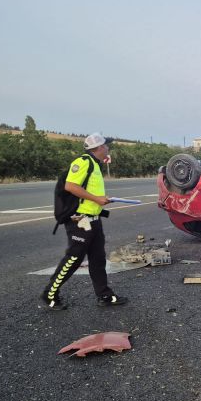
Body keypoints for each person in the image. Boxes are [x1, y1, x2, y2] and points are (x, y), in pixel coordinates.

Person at [41, 133, 128, 310]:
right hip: (80, 220)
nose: (108, 148)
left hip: (93, 220)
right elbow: (70, 186)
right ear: (99, 147)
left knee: (98, 259)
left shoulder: (95, 164)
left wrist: (101, 199)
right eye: (106, 145)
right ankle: (50, 293)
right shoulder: (83, 162)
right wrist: (96, 199)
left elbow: (88, 191)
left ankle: (104, 295)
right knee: (73, 258)